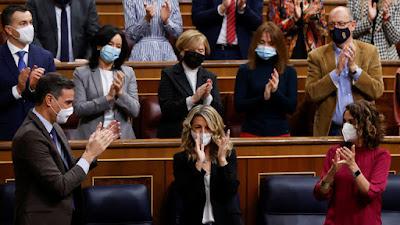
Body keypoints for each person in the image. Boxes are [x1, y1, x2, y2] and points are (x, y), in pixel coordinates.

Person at [12, 73, 120, 225]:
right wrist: (88, 155)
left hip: (65, 214)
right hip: (42, 219)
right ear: (49, 100)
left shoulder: (54, 126)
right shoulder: (30, 136)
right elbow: (60, 186)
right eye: (68, 103)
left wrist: (95, 149)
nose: (72, 109)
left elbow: (65, 168)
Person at [305, 6, 384, 136]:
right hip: (331, 129)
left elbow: (377, 90)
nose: (336, 28)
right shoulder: (316, 56)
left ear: (352, 25)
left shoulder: (370, 52)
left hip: (362, 128)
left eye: (341, 24)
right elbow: (311, 94)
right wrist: (336, 72)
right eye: (332, 25)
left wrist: (355, 70)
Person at [314, 100, 391, 225]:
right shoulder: (335, 152)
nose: (346, 126)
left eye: (351, 122)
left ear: (366, 125)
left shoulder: (381, 156)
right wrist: (331, 174)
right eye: (344, 121)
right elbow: (320, 194)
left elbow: (370, 193)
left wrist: (353, 167)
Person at [173, 105, 242, 225]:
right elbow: (188, 196)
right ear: (190, 130)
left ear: (215, 129)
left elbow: (229, 194)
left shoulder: (228, 155)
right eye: (198, 127)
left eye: (208, 128)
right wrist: (199, 163)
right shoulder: (181, 159)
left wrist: (222, 160)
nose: (203, 132)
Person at [73, 25, 140, 139]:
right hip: (91, 136)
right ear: (99, 45)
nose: (114, 48)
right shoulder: (82, 73)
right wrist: (107, 98)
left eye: (118, 46)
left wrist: (120, 94)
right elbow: (79, 109)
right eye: (110, 44)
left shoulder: (128, 73)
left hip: (121, 137)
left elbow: (135, 110)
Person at [0, 5, 56, 141]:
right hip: (5, 134)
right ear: (9, 30)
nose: (29, 27)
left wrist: (32, 87)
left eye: (30, 22)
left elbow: (53, 98)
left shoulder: (45, 56)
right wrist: (18, 90)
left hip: (38, 133)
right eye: (23, 23)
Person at [234, 22, 297, 137]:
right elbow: (239, 106)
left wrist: (275, 92)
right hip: (251, 131)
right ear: (255, 43)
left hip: (280, 132)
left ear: (278, 46)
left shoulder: (289, 71)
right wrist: (263, 97)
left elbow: (291, 108)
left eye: (271, 44)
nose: (266, 47)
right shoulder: (245, 70)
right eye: (262, 42)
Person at [158, 30, 223, 138]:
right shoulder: (169, 74)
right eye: (192, 50)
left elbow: (219, 112)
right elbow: (167, 110)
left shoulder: (210, 76)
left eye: (201, 50)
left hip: (205, 134)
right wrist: (193, 99)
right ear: (183, 51)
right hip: (176, 133)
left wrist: (207, 97)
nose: (197, 53)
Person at [27, 0, 100, 62]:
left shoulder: (86, 3)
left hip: (80, 65)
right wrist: (46, 59)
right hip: (46, 67)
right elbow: (32, 36)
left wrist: (87, 59)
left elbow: (94, 36)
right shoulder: (36, 3)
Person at [192, 0, 263, 60]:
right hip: (212, 50)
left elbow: (257, 24)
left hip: (241, 52)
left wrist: (242, 8)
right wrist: (220, 9)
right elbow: (196, 19)